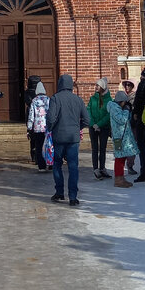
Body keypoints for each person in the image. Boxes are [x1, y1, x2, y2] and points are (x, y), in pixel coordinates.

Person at [46, 74, 88, 205]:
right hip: (73, 138)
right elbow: (87, 120)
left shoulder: (55, 98)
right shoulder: (78, 100)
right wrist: (77, 128)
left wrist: (51, 128)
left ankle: (59, 192)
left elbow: (51, 118)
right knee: (73, 167)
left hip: (58, 137)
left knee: (57, 165)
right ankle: (73, 196)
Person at [108, 90, 139, 187]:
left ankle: (121, 177)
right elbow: (122, 120)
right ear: (121, 102)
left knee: (122, 157)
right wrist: (126, 110)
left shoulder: (117, 108)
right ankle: (118, 179)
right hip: (119, 138)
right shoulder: (114, 108)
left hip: (122, 137)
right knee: (119, 158)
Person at [87, 77, 112, 179]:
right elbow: (88, 111)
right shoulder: (92, 99)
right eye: (96, 85)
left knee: (102, 148)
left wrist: (99, 124)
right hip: (93, 127)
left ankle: (102, 168)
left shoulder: (109, 100)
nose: (96, 87)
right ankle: (96, 169)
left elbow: (108, 115)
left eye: (98, 85)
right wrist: (93, 124)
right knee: (94, 148)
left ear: (103, 87)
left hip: (104, 127)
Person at [131, 67, 145, 181]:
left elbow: (138, 100)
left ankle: (144, 170)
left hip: (141, 119)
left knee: (141, 145)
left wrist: (135, 113)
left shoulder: (143, 85)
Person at [26, 81, 50, 171]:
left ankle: (41, 166)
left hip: (37, 127)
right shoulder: (48, 99)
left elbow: (31, 115)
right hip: (47, 127)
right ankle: (50, 163)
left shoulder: (34, 101)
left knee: (39, 146)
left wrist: (29, 128)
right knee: (48, 146)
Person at [121, 80, 138, 174]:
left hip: (133, 125)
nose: (127, 87)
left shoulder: (135, 96)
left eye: (129, 85)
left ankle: (130, 165)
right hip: (124, 125)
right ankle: (125, 165)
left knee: (131, 146)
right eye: (125, 85)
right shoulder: (123, 96)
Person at [24, 74, 40, 163]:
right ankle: (38, 156)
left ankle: (34, 155)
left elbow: (27, 102)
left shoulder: (27, 92)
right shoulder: (40, 93)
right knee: (40, 138)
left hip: (31, 116)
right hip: (40, 119)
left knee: (32, 137)